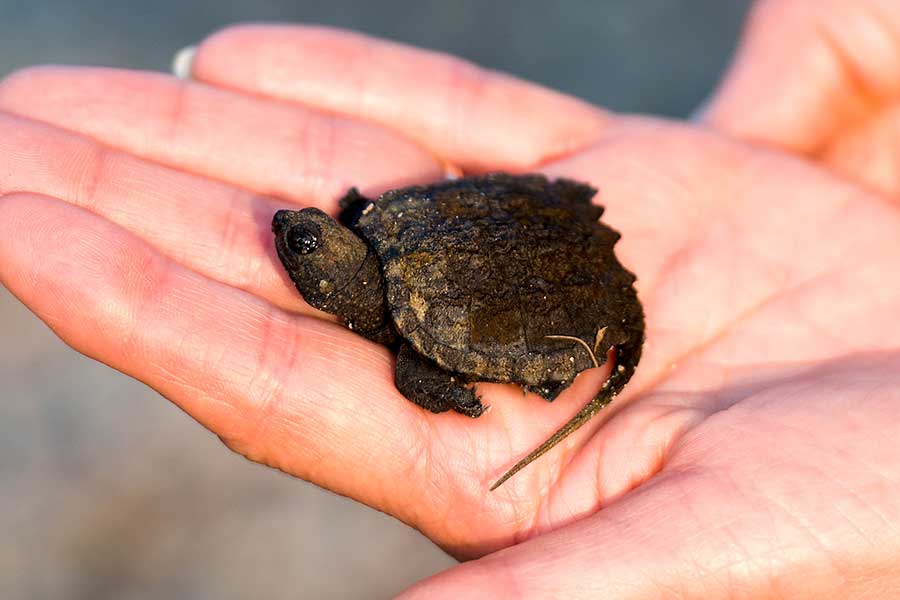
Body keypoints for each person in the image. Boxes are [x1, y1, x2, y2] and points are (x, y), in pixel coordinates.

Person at [1, 1, 898, 596]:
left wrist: (443, 386)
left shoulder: (404, 307)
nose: (298, 228)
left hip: (567, 285)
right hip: (537, 241)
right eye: (304, 238)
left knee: (425, 362)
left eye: (302, 233)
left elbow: (420, 355)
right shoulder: (384, 232)